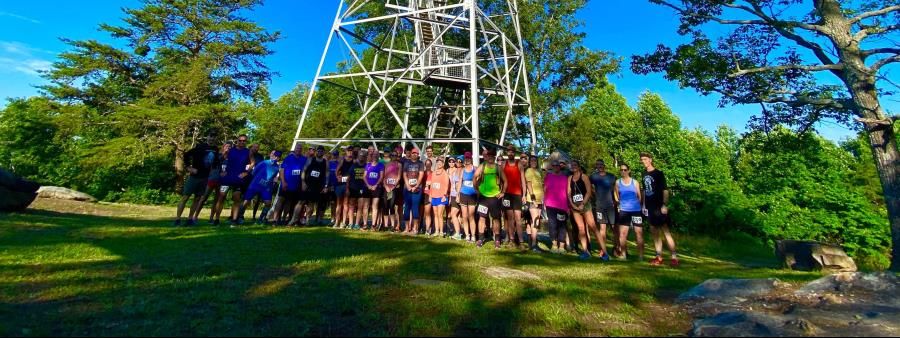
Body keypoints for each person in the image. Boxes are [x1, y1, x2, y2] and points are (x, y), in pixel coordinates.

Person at [641, 153, 679, 267]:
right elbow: (644, 191)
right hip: (650, 207)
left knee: (666, 232)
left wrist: (664, 205)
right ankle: (658, 257)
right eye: (642, 160)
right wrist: (643, 205)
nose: (643, 161)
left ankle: (674, 257)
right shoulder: (643, 174)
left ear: (650, 160)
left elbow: (665, 190)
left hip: (659, 206)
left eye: (645, 159)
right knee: (655, 233)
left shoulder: (658, 173)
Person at [175, 135, 217, 226]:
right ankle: (177, 219)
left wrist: (212, 170)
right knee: (185, 197)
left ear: (215, 138)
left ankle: (190, 219)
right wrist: (188, 167)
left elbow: (215, 162)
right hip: (194, 177)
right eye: (210, 136)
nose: (212, 138)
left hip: (205, 178)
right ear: (207, 137)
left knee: (197, 198)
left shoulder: (215, 149)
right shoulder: (200, 147)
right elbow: (186, 155)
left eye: (214, 137)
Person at [568, 161, 602, 260]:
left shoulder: (584, 177)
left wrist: (583, 203)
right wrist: (573, 205)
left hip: (585, 205)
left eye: (575, 165)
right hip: (575, 207)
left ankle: (603, 250)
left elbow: (588, 192)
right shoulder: (570, 178)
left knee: (593, 227)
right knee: (581, 229)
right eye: (572, 165)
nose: (573, 167)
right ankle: (585, 251)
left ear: (579, 167)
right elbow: (569, 193)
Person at [239, 150, 282, 225]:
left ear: (279, 158)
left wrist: (273, 182)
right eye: (274, 156)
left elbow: (274, 177)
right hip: (255, 185)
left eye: (277, 157)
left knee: (268, 203)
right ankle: (240, 216)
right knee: (246, 201)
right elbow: (254, 172)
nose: (275, 158)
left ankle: (261, 218)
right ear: (272, 155)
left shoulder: (277, 167)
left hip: (266, 187)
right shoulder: (264, 163)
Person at [474, 149, 507, 249]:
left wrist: (503, 192)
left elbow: (505, 181)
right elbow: (475, 177)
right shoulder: (482, 166)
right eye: (489, 155)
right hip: (483, 197)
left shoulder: (497, 167)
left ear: (494, 157)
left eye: (492, 156)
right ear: (487, 156)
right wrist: (476, 189)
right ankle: (480, 239)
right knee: (482, 218)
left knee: (496, 219)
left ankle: (497, 240)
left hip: (495, 197)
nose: (490, 157)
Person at [217, 135, 251, 226]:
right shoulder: (231, 150)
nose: (242, 142)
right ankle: (216, 219)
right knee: (221, 197)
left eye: (244, 141)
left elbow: (253, 162)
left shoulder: (248, 151)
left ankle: (234, 220)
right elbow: (221, 160)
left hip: (238, 178)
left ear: (246, 142)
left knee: (236, 198)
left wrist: (246, 172)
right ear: (237, 141)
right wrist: (221, 171)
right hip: (227, 177)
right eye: (240, 140)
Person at [614, 163, 645, 261]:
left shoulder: (634, 182)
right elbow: (616, 195)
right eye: (621, 170)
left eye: (625, 170)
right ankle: (623, 255)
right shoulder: (618, 182)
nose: (623, 172)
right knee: (623, 234)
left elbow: (639, 196)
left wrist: (638, 206)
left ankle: (640, 256)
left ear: (629, 171)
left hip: (636, 210)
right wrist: (619, 204)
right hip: (624, 211)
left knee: (638, 233)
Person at [294, 146, 329, 226]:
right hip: (307, 184)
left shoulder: (325, 162)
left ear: (323, 152)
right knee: (301, 202)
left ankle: (307, 220)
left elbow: (327, 174)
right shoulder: (311, 159)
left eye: (321, 151)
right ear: (316, 152)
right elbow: (304, 170)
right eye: (318, 151)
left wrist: (326, 185)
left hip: (316, 186)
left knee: (311, 203)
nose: (319, 152)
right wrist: (303, 182)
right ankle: (294, 219)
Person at [273, 144, 306, 226]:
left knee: (289, 202)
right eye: (297, 148)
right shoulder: (288, 158)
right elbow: (282, 170)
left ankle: (285, 219)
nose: (298, 149)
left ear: (302, 150)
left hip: (297, 185)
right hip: (286, 184)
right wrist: (283, 181)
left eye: (300, 148)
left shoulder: (304, 159)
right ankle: (275, 220)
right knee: (280, 200)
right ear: (295, 149)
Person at [590, 159, 616, 261]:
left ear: (604, 165)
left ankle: (617, 248)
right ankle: (603, 249)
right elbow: (588, 185)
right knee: (602, 228)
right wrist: (593, 194)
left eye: (601, 164)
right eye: (598, 165)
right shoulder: (593, 176)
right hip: (599, 205)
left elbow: (616, 189)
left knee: (614, 228)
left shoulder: (611, 176)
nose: (599, 166)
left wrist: (616, 200)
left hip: (610, 205)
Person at [502, 146, 526, 249]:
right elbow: (501, 179)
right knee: (510, 218)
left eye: (512, 152)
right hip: (507, 194)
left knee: (518, 218)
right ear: (507, 153)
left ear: (514, 153)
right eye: (509, 152)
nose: (510, 153)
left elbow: (523, 180)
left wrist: (524, 194)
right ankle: (511, 240)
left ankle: (521, 241)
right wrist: (502, 192)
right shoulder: (504, 164)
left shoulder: (519, 164)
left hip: (517, 194)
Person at [544, 159, 570, 254]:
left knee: (562, 225)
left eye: (557, 165)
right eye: (554, 165)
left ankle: (562, 247)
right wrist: (544, 202)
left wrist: (569, 206)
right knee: (552, 225)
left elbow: (568, 192)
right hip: (550, 205)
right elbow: (545, 189)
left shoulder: (565, 178)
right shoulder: (548, 176)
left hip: (562, 206)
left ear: (560, 167)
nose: (555, 167)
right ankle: (554, 245)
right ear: (552, 167)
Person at [201, 142, 228, 225]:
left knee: (219, 199)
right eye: (227, 146)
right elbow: (211, 164)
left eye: (230, 147)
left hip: (224, 181)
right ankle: (194, 217)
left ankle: (215, 219)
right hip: (213, 178)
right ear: (223, 147)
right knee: (204, 197)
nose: (228, 148)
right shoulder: (218, 155)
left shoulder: (231, 158)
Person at [524, 156, 544, 252]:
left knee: (535, 222)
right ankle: (534, 244)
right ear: (529, 162)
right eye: (532, 160)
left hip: (540, 200)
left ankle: (533, 243)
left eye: (535, 160)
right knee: (535, 221)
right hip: (533, 200)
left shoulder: (538, 171)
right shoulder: (529, 171)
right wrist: (533, 199)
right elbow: (528, 184)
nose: (534, 162)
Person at [403, 148, 425, 235]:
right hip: (407, 188)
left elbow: (421, 175)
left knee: (415, 208)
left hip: (417, 189)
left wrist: (416, 186)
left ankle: (415, 228)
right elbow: (404, 174)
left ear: (418, 154)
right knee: (407, 208)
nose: (414, 154)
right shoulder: (406, 163)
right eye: (413, 153)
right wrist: (408, 186)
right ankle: (406, 228)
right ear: (411, 154)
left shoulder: (420, 163)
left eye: (416, 153)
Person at [427, 157, 450, 237]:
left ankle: (441, 231)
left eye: (441, 162)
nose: (439, 164)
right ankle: (436, 231)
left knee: (440, 215)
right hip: (434, 196)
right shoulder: (434, 173)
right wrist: (430, 195)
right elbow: (431, 185)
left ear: (443, 164)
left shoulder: (445, 173)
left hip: (441, 196)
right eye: (438, 162)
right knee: (435, 214)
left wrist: (444, 195)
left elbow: (446, 185)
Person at [459, 152, 478, 242]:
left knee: (471, 216)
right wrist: (458, 194)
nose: (467, 160)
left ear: (471, 159)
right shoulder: (462, 170)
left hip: (472, 195)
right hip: (463, 194)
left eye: (468, 158)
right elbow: (460, 182)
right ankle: (467, 235)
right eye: (466, 158)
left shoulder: (475, 168)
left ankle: (473, 235)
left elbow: (479, 180)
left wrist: (478, 191)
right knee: (464, 216)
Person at [364, 147, 385, 231]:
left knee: (374, 206)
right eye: (374, 155)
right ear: (371, 156)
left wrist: (376, 185)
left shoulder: (381, 165)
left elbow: (381, 176)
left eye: (377, 155)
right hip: (367, 187)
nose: (375, 156)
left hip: (377, 188)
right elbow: (364, 176)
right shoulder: (368, 165)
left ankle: (373, 225)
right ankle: (365, 224)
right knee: (366, 206)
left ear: (378, 156)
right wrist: (368, 185)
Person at [383, 150, 403, 232]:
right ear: (390, 156)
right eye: (393, 155)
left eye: (395, 155)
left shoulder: (399, 165)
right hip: (386, 187)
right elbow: (384, 176)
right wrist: (386, 186)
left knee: (392, 206)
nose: (394, 156)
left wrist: (393, 186)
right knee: (385, 206)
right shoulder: (387, 164)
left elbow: (399, 176)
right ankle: (385, 225)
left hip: (394, 188)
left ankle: (392, 225)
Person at [335, 146, 355, 229]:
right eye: (348, 150)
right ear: (346, 151)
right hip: (341, 184)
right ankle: (336, 222)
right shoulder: (342, 160)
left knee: (346, 204)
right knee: (339, 204)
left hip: (349, 185)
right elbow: (336, 171)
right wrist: (338, 177)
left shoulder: (354, 161)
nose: (350, 152)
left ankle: (343, 222)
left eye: (351, 151)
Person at [349, 152, 368, 230]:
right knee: (351, 206)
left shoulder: (366, 166)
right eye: (360, 156)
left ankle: (357, 224)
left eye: (363, 156)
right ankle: (350, 223)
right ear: (358, 157)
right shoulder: (353, 165)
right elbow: (349, 177)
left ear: (365, 157)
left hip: (362, 188)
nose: (361, 157)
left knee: (360, 207)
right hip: (353, 187)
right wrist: (347, 188)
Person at [447, 156, 464, 240]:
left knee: (454, 214)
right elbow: (453, 185)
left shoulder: (463, 171)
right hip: (453, 195)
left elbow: (460, 185)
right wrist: (450, 196)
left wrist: (458, 195)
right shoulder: (455, 172)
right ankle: (458, 232)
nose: (458, 163)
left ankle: (458, 233)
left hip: (460, 195)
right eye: (457, 161)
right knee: (456, 215)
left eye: (460, 161)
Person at [327, 150, 340, 226]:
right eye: (333, 155)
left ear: (338, 155)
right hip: (331, 186)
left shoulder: (340, 163)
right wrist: (327, 185)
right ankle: (332, 218)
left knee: (338, 203)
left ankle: (338, 219)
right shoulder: (329, 163)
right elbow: (327, 175)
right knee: (332, 203)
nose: (334, 156)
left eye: (336, 155)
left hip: (338, 185)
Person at [422, 159, 434, 235]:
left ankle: (428, 229)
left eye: (429, 164)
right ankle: (420, 227)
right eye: (426, 164)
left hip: (429, 194)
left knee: (428, 212)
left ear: (431, 165)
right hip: (421, 194)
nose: (428, 165)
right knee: (421, 212)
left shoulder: (433, 174)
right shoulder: (422, 173)